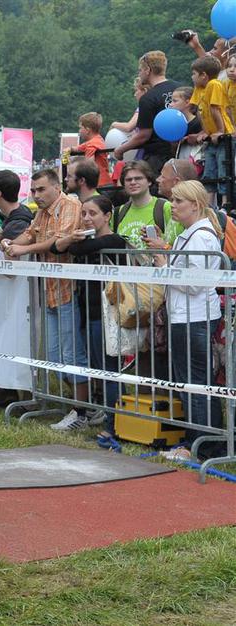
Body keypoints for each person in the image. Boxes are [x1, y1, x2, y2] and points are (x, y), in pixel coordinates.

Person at [4, 170, 89, 430]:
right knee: (54, 357)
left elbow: (58, 242)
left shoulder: (70, 205)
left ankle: (83, 410)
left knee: (72, 355)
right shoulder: (42, 212)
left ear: (56, 187)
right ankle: (75, 405)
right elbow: (30, 233)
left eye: (41, 189)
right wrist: (10, 244)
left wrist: (22, 249)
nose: (36, 195)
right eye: (33, 190)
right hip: (49, 292)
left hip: (69, 291)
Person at [151, 181, 224, 462]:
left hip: (194, 317)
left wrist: (164, 268)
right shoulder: (193, 234)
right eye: (173, 200)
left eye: (179, 201)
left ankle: (201, 447)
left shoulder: (201, 237)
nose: (173, 206)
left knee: (195, 383)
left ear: (195, 204)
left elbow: (195, 284)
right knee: (194, 382)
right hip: (188, 315)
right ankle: (202, 442)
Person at [50, 196, 128, 445]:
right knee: (97, 368)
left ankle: (115, 424)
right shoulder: (87, 240)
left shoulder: (114, 240)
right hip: (87, 312)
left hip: (107, 314)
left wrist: (73, 240)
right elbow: (58, 248)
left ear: (107, 216)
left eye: (92, 213)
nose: (86, 218)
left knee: (109, 370)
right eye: (83, 213)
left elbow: (76, 248)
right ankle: (103, 414)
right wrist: (72, 240)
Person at [113, 51, 182, 172]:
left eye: (140, 70)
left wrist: (121, 149)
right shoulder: (181, 88)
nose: (139, 74)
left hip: (158, 157)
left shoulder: (148, 98)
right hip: (183, 152)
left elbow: (143, 135)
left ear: (147, 70)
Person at [190, 55, 235, 207]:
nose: (192, 77)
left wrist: (220, 131)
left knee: (224, 170)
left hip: (223, 136)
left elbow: (215, 109)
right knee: (209, 172)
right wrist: (205, 131)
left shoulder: (214, 84)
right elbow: (200, 111)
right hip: (211, 137)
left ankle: (225, 203)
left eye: (194, 74)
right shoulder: (199, 88)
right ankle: (209, 204)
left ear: (203, 75)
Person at [68, 113, 111, 187]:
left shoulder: (91, 145)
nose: (79, 131)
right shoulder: (98, 139)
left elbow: (88, 166)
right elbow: (78, 148)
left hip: (100, 184)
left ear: (87, 130)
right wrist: (69, 149)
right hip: (106, 182)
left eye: (80, 128)